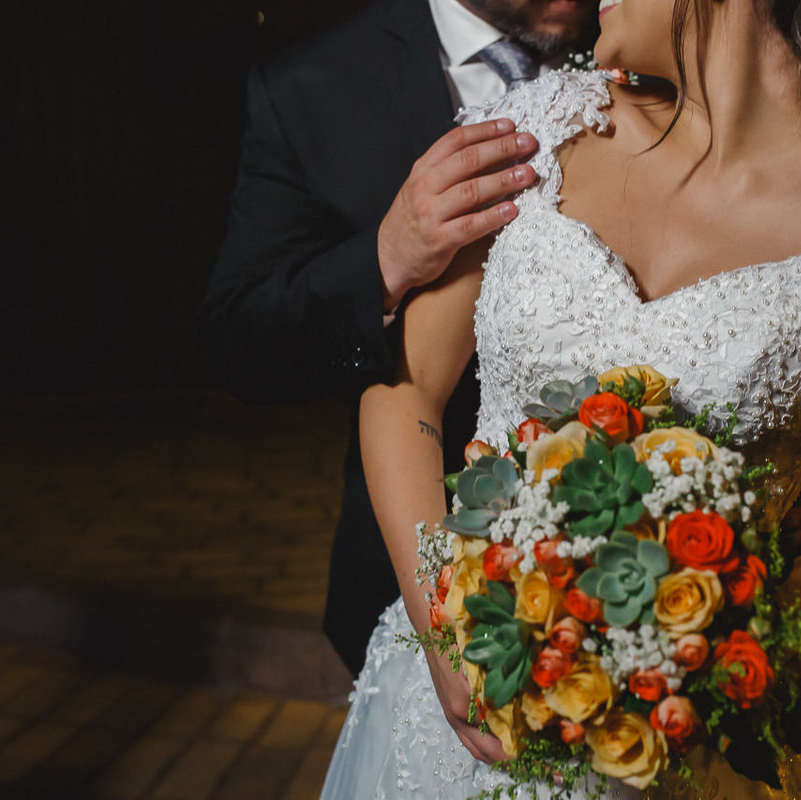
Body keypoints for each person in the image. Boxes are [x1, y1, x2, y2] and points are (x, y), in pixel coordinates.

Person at [323, 0, 801, 795]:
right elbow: (403, 388)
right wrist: (445, 635)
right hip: (465, 706)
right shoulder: (535, 133)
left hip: (703, 729)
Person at [196, 0, 599, 676]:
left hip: (632, 560)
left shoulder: (642, 42)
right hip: (410, 578)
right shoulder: (310, 84)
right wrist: (384, 260)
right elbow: (239, 340)